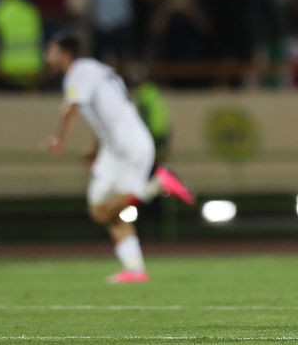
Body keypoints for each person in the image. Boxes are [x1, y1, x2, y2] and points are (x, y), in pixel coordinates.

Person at [42, 33, 195, 284]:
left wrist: (59, 138)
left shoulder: (79, 72)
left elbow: (71, 107)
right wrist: (95, 147)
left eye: (51, 50)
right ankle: (134, 269)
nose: (47, 55)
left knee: (108, 209)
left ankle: (158, 183)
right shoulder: (97, 70)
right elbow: (105, 112)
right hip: (114, 148)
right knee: (101, 210)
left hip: (129, 145)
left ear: (65, 54)